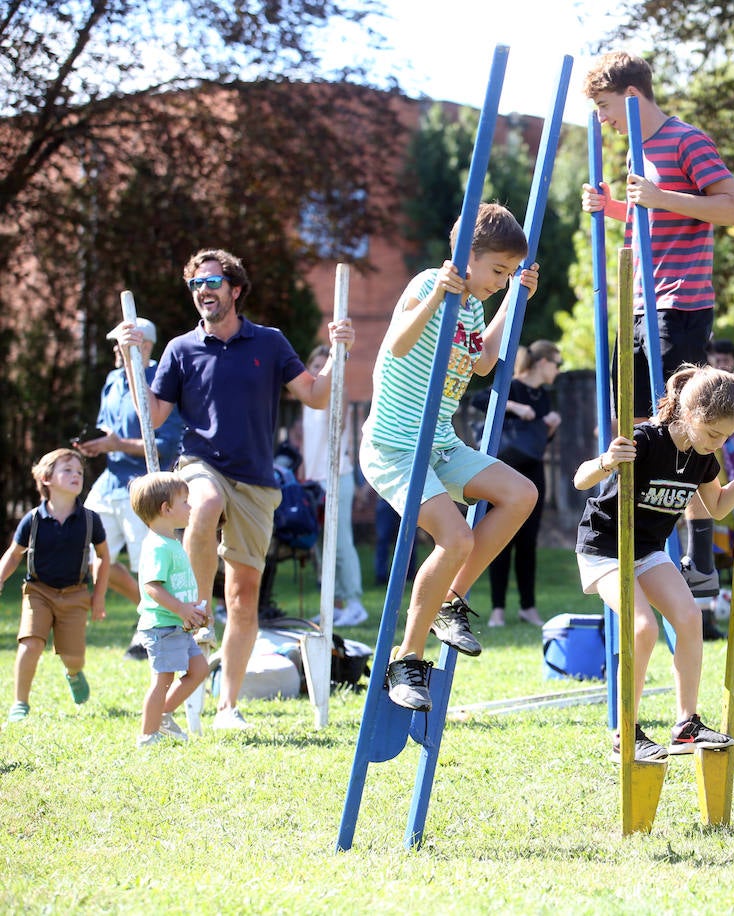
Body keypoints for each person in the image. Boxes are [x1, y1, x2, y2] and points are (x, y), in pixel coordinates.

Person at [112, 247, 355, 730]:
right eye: (195, 285)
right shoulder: (181, 350)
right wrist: (131, 359)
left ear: (235, 289)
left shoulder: (269, 342)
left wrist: (340, 352)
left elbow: (316, 395)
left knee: (244, 597)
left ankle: (228, 707)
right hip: (200, 464)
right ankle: (199, 607)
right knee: (204, 502)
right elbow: (153, 416)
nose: (203, 291)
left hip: (258, 481)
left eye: (211, 283)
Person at [581, 51, 734, 605]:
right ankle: (638, 538)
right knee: (635, 424)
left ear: (631, 97)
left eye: (605, 106)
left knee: (683, 420)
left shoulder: (684, 140)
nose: (602, 118)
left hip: (680, 303)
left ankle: (700, 552)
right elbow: (651, 217)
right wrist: (613, 208)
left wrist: (658, 196)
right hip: (640, 298)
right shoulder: (638, 148)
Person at [361, 204, 539, 713]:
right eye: (497, 271)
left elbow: (482, 361)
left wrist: (511, 300)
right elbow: (396, 345)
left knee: (520, 494)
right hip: (395, 446)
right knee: (455, 536)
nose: (499, 280)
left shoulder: (475, 304)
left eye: (508, 273)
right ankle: (406, 658)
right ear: (469, 256)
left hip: (440, 442)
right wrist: (440, 291)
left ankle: (449, 601)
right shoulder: (428, 284)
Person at [573, 366, 734, 761]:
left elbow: (716, 507)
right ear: (690, 414)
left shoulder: (702, 457)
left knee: (690, 617)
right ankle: (626, 730)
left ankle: (686, 725)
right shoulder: (646, 440)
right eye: (713, 434)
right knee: (642, 628)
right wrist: (608, 460)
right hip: (605, 547)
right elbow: (580, 479)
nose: (717, 444)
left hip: (646, 549)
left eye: (726, 437)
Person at [75, 319, 185, 661]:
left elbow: (166, 445)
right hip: (108, 482)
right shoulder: (111, 380)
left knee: (148, 566)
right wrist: (98, 444)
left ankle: (150, 632)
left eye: (121, 343)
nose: (114, 350)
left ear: (145, 345)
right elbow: (109, 431)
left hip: (144, 488)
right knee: (87, 554)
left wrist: (117, 443)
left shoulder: (161, 382)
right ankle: (149, 610)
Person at [1, 448, 109, 722]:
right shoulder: (33, 520)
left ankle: (73, 673)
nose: (76, 475)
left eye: (80, 472)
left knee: (73, 657)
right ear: (46, 479)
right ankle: (20, 703)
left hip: (75, 595)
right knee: (30, 644)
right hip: (38, 592)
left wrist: (98, 597)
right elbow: (14, 555)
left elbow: (104, 557)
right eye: (67, 470)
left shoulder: (90, 520)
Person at [481, 340, 562, 628]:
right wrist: (514, 407)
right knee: (501, 541)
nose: (558, 369)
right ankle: (497, 610)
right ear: (542, 363)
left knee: (528, 543)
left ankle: (528, 607)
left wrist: (549, 426)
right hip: (503, 472)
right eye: (557, 363)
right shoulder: (512, 387)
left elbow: (536, 441)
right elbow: (480, 400)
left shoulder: (543, 396)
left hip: (533, 470)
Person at [129, 472, 209, 747]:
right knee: (162, 679)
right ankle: (147, 735)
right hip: (162, 626)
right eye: (185, 502)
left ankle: (163, 714)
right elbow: (152, 587)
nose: (191, 507)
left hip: (178, 624)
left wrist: (192, 611)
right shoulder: (157, 546)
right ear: (166, 509)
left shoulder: (171, 542)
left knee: (199, 670)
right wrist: (181, 609)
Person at [300, 345, 368, 628]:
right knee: (321, 546)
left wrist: (334, 380)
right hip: (315, 480)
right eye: (314, 366)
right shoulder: (309, 399)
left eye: (322, 365)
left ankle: (355, 602)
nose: (317, 371)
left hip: (336, 476)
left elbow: (338, 427)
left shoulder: (334, 391)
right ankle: (335, 604)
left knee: (341, 543)